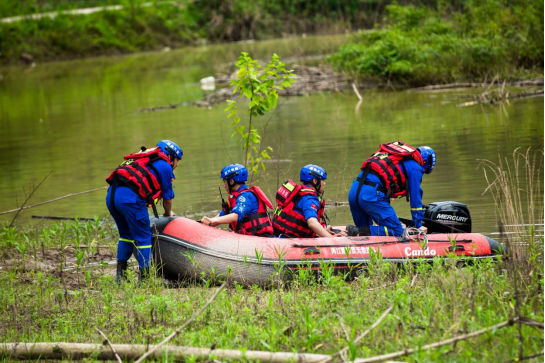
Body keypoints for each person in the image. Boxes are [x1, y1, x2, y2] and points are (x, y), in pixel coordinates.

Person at [106, 140, 182, 282]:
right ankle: (145, 279)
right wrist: (168, 213)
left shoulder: (141, 159)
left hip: (111, 197)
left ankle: (120, 276)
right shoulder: (165, 165)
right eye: (177, 160)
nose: (176, 165)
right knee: (143, 237)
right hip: (130, 200)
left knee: (126, 235)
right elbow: (167, 198)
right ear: (170, 157)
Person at [347, 141, 436, 237]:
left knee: (364, 232)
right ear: (425, 162)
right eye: (425, 171)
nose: (423, 172)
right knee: (396, 230)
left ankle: (356, 231)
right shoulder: (416, 167)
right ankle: (356, 231)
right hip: (370, 194)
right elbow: (415, 200)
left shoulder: (395, 158)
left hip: (354, 191)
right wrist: (418, 225)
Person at [201, 164, 274, 236]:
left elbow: (236, 215)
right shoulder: (234, 198)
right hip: (248, 237)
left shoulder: (246, 196)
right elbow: (221, 216)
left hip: (260, 238)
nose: (224, 185)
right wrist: (208, 222)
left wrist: (213, 220)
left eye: (225, 182)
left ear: (231, 181)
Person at [272, 164, 341, 238]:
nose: (324, 183)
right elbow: (312, 223)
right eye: (323, 180)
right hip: (289, 239)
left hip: (278, 234)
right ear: (315, 181)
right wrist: (332, 238)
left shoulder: (299, 192)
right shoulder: (310, 198)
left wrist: (323, 229)